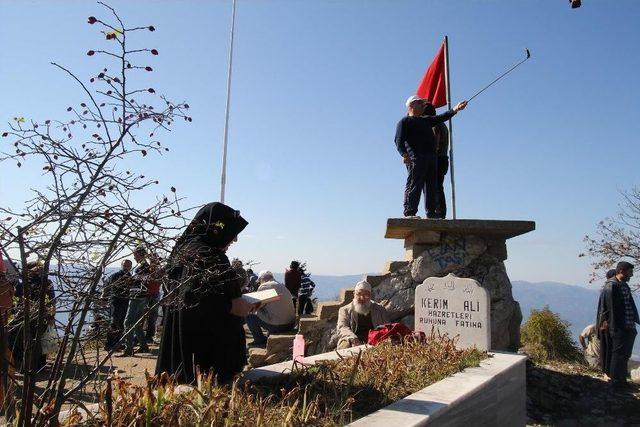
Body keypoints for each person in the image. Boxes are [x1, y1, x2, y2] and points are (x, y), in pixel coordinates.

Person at [155, 202, 255, 384]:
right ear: (216, 229)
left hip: (181, 349)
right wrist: (239, 306)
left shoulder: (181, 252)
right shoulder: (210, 257)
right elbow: (211, 303)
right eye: (232, 234)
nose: (233, 240)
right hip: (206, 358)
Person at [394, 95, 467, 218]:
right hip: (416, 158)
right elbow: (398, 140)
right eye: (420, 103)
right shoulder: (404, 122)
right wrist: (404, 154)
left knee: (431, 186)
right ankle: (410, 212)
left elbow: (442, 117)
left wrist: (455, 109)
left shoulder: (426, 120)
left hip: (432, 158)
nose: (423, 105)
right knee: (415, 185)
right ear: (411, 105)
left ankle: (431, 213)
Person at [596, 261, 639, 390]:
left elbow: (630, 305)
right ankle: (615, 381)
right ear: (621, 271)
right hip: (620, 327)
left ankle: (622, 380)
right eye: (629, 272)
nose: (631, 275)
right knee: (618, 354)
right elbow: (612, 310)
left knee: (625, 355)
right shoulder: (611, 287)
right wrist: (615, 329)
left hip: (629, 325)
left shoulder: (624, 286)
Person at [246, 271, 296, 347]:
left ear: (262, 278)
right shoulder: (282, 286)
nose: (259, 283)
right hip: (290, 324)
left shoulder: (264, 286)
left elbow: (256, 306)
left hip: (279, 326)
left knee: (250, 316)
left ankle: (259, 340)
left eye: (259, 281)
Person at [336, 280, 390, 349]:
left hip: (375, 340)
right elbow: (342, 328)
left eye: (366, 295)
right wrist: (353, 338)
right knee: (345, 344)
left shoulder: (380, 310)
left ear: (370, 296)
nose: (362, 298)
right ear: (354, 294)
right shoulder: (345, 310)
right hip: (353, 340)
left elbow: (388, 328)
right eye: (359, 294)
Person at [121, 246, 151, 356]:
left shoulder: (142, 266)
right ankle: (143, 346)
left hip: (136, 296)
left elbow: (141, 280)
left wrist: (129, 280)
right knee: (137, 323)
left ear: (140, 254)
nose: (134, 257)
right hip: (141, 296)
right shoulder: (144, 266)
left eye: (135, 254)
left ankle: (128, 348)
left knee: (128, 322)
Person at [423, 102, 450, 219]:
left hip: (437, 159)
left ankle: (437, 214)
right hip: (442, 158)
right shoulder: (442, 124)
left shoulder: (435, 125)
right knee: (438, 186)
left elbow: (435, 143)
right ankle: (440, 213)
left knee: (434, 187)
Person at [103, 259, 132, 351]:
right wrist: (105, 298)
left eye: (128, 266)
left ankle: (118, 343)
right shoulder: (115, 276)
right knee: (114, 323)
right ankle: (109, 344)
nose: (126, 267)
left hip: (125, 302)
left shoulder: (130, 276)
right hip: (116, 302)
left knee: (121, 323)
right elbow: (107, 287)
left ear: (131, 267)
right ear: (121, 265)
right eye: (125, 265)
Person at [144, 254, 163, 343]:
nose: (155, 261)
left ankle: (149, 336)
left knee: (153, 317)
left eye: (156, 260)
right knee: (142, 316)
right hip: (145, 295)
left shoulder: (160, 270)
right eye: (152, 260)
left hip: (155, 294)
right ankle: (139, 337)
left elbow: (162, 280)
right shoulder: (145, 269)